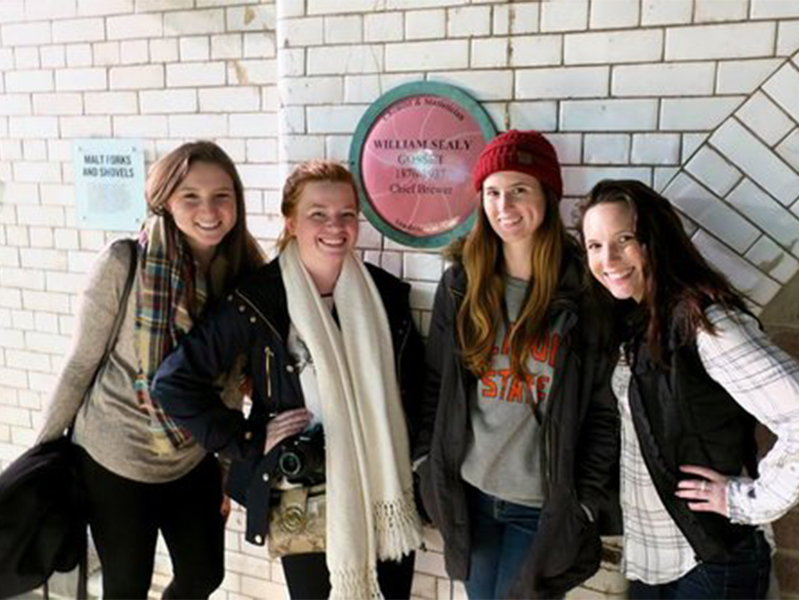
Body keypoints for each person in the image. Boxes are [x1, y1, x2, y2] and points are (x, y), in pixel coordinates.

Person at [151, 160, 424, 600]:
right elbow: (173, 382)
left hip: (385, 485)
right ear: (292, 221)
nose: (335, 226)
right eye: (318, 213)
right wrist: (248, 438)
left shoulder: (386, 295)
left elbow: (414, 389)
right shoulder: (259, 298)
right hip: (303, 495)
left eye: (346, 214)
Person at [37, 141, 264, 599]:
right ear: (163, 200)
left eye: (222, 195)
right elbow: (81, 363)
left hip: (190, 456)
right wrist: (42, 456)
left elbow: (228, 390)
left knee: (203, 576)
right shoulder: (124, 263)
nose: (209, 210)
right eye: (190, 196)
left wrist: (222, 466)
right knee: (126, 587)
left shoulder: (242, 278)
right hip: (112, 458)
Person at [414, 130, 618, 599]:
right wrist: (427, 464)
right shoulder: (462, 286)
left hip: (544, 509)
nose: (504, 205)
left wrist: (583, 502)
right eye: (492, 192)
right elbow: (436, 384)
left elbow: (605, 411)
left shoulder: (586, 293)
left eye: (519, 190)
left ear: (547, 194)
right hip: (470, 497)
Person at [579, 179, 799, 599]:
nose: (608, 259)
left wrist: (745, 501)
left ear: (656, 240)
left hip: (712, 559)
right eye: (594, 245)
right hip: (653, 558)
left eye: (624, 239)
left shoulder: (706, 324)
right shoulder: (632, 318)